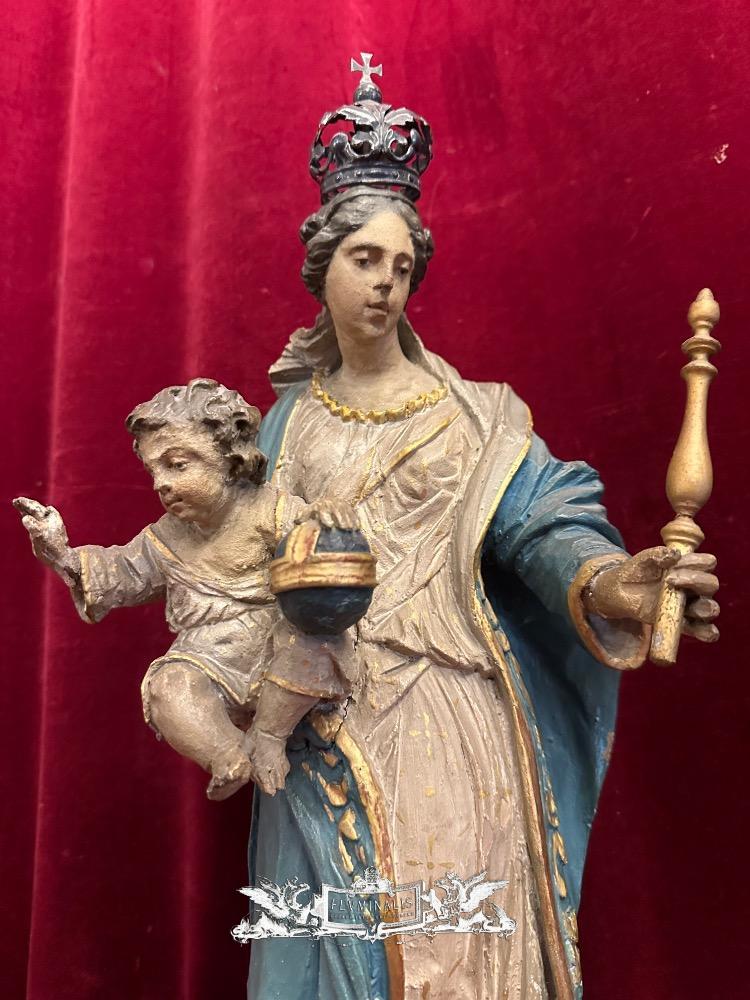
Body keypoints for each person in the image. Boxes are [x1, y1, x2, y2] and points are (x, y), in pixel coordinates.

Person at [245, 66, 720, 1000]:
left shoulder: (473, 417)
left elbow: (544, 525)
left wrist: (618, 584)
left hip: (446, 723)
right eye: (364, 260)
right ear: (322, 267)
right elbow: (233, 565)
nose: (385, 285)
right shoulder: (283, 427)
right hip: (317, 726)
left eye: (402, 267)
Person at [15, 378, 358, 800]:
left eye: (177, 465)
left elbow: (318, 550)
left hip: (278, 647)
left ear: (230, 460)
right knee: (168, 687)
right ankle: (229, 756)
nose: (160, 483)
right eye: (153, 471)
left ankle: (268, 736)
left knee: (311, 638)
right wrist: (59, 553)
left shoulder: (271, 511)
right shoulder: (167, 538)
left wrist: (324, 520)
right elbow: (117, 572)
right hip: (211, 658)